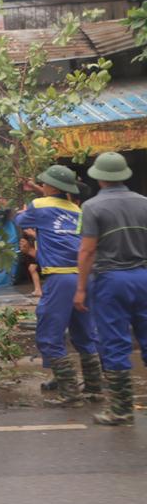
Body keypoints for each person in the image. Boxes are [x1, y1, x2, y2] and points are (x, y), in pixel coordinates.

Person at [14, 164, 101, 407]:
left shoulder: (40, 205)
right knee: (84, 334)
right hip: (83, 277)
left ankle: (70, 393)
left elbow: (20, 218)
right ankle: (94, 389)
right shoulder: (76, 209)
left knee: (49, 336)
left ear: (51, 187)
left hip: (60, 279)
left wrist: (23, 210)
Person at [74, 152, 147, 426]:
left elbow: (87, 250)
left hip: (111, 280)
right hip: (143, 276)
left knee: (115, 342)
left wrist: (81, 288)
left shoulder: (92, 207)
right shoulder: (144, 203)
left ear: (100, 178)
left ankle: (121, 410)